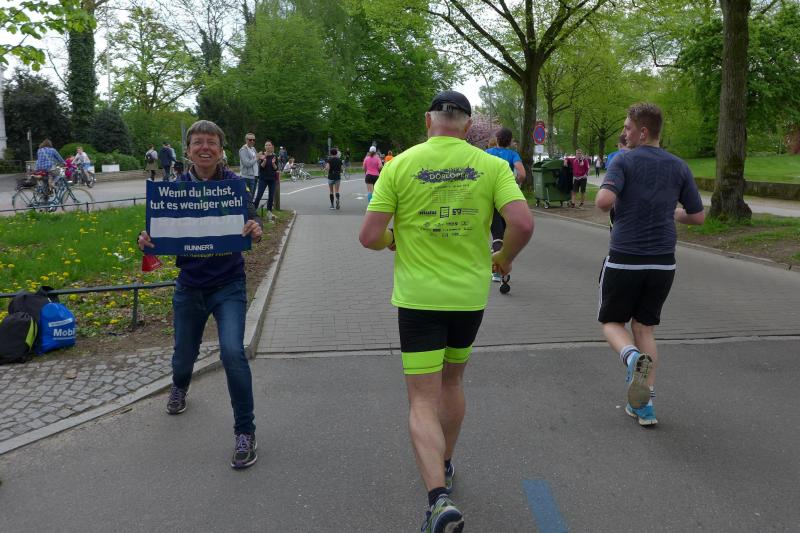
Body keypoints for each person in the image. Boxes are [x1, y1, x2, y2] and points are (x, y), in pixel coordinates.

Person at [359, 90, 534, 532]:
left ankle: (438, 500)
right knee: (453, 382)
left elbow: (369, 236)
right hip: (468, 298)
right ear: (468, 126)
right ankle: (448, 462)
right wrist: (504, 258)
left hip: (419, 299)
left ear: (428, 120)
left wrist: (392, 240)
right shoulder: (491, 166)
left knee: (422, 398)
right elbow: (522, 222)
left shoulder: (399, 165)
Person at [137, 119, 263, 469]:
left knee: (233, 353)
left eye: (211, 142)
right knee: (184, 355)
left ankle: (245, 432)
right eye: (198, 143)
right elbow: (154, 231)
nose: (204, 148)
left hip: (228, 285)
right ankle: (180, 385)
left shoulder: (235, 186)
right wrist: (144, 240)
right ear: (188, 150)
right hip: (190, 285)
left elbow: (253, 221)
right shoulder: (173, 189)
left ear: (221, 151)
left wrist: (256, 228)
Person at [595, 103, 705, 427]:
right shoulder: (679, 166)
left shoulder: (623, 160)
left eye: (628, 128)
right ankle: (644, 406)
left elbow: (603, 202)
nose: (624, 133)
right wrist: (673, 213)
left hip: (625, 259)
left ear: (642, 132)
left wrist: (616, 192)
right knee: (645, 328)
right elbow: (698, 216)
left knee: (612, 323)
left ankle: (631, 358)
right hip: (663, 263)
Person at [486, 127, 527, 284]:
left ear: (496, 139)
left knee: (497, 236)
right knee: (504, 234)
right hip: (507, 198)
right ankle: (502, 266)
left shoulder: (487, 153)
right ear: (510, 141)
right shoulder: (513, 155)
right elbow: (522, 174)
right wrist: (514, 184)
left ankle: (497, 272)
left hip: (492, 197)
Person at [254, 140, 280, 220]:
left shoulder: (274, 156)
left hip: (272, 179)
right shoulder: (262, 155)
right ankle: (253, 212)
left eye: (269, 145)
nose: (267, 147)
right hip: (263, 178)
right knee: (259, 195)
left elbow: (276, 168)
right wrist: (264, 161)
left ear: (272, 146)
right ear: (264, 147)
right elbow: (260, 168)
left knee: (271, 196)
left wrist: (273, 163)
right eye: (266, 145)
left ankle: (269, 212)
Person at [238, 133, 258, 198]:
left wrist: (261, 158)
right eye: (250, 140)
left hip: (254, 176)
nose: (252, 141)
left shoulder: (253, 149)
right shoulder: (243, 150)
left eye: (253, 140)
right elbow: (247, 164)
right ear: (246, 140)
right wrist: (257, 158)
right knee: (247, 197)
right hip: (246, 178)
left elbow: (256, 161)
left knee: (251, 197)